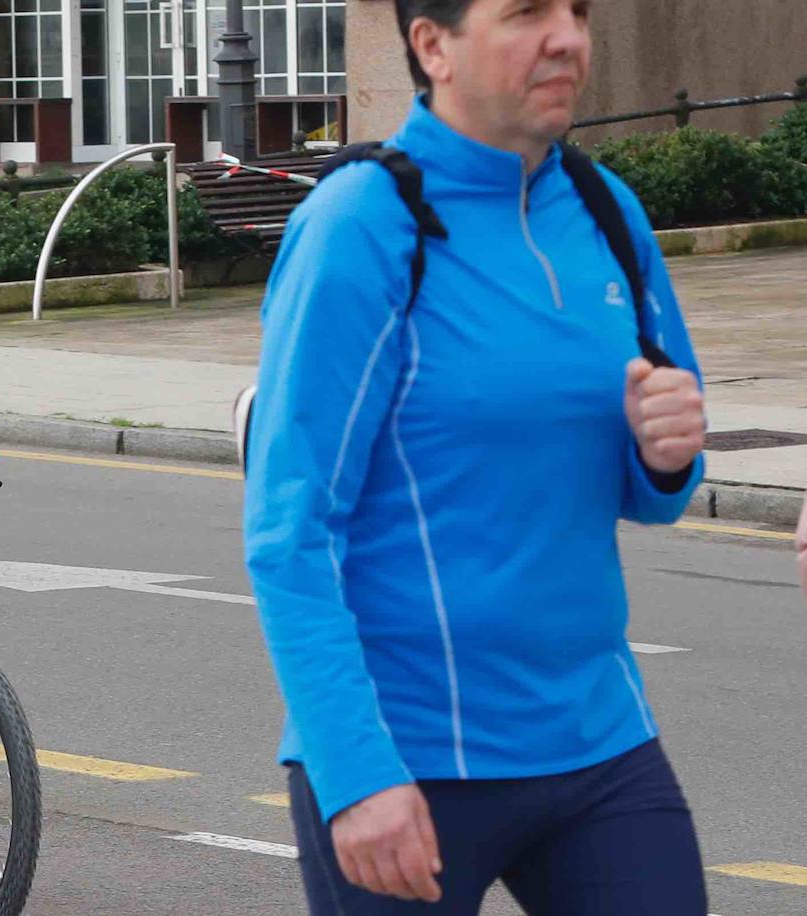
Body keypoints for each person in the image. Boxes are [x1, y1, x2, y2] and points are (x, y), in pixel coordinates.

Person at [242, 1, 710, 913]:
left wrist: (666, 456)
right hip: (403, 757)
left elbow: (657, 491)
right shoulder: (365, 225)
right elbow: (289, 532)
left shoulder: (609, 213)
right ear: (432, 45)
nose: (567, 37)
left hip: (596, 745)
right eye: (528, 12)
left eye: (576, 10)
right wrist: (355, 772)